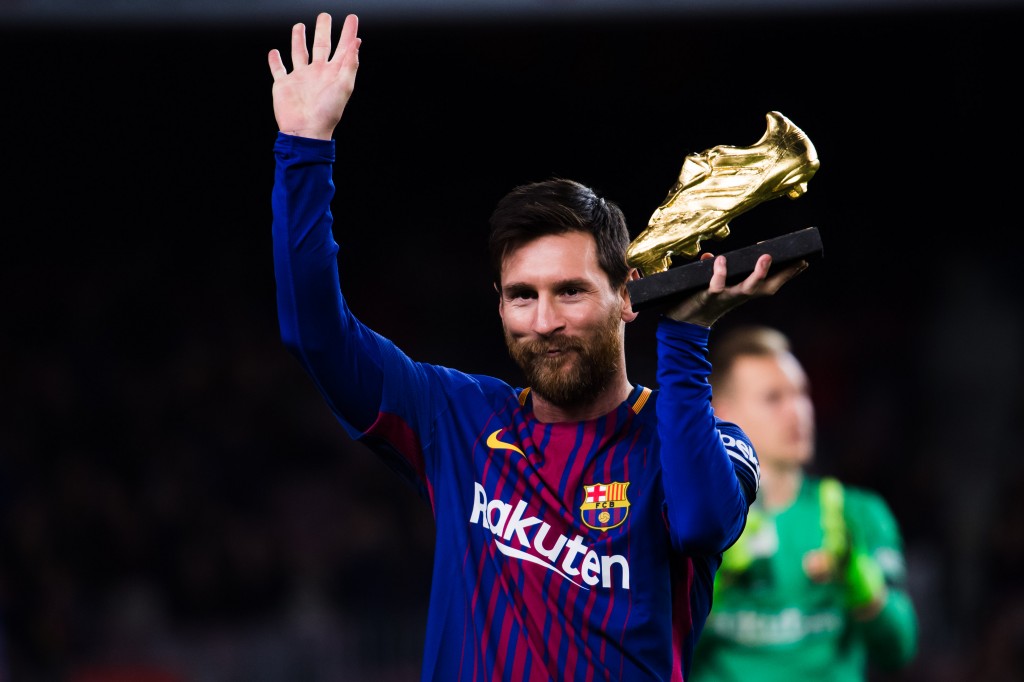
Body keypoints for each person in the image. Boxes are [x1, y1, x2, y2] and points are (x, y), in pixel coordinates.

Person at [267, 12, 806, 681]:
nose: (544, 320)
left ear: (626, 296)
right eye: (522, 295)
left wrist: (688, 338)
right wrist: (304, 149)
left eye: (571, 291)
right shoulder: (457, 420)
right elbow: (315, 334)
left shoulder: (708, 441)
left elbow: (700, 526)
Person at [691, 325, 918, 681]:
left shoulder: (856, 513)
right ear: (721, 414)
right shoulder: (688, 524)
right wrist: (710, 585)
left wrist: (859, 581)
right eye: (774, 398)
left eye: (801, 394)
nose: (797, 411)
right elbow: (651, 658)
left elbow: (899, 649)